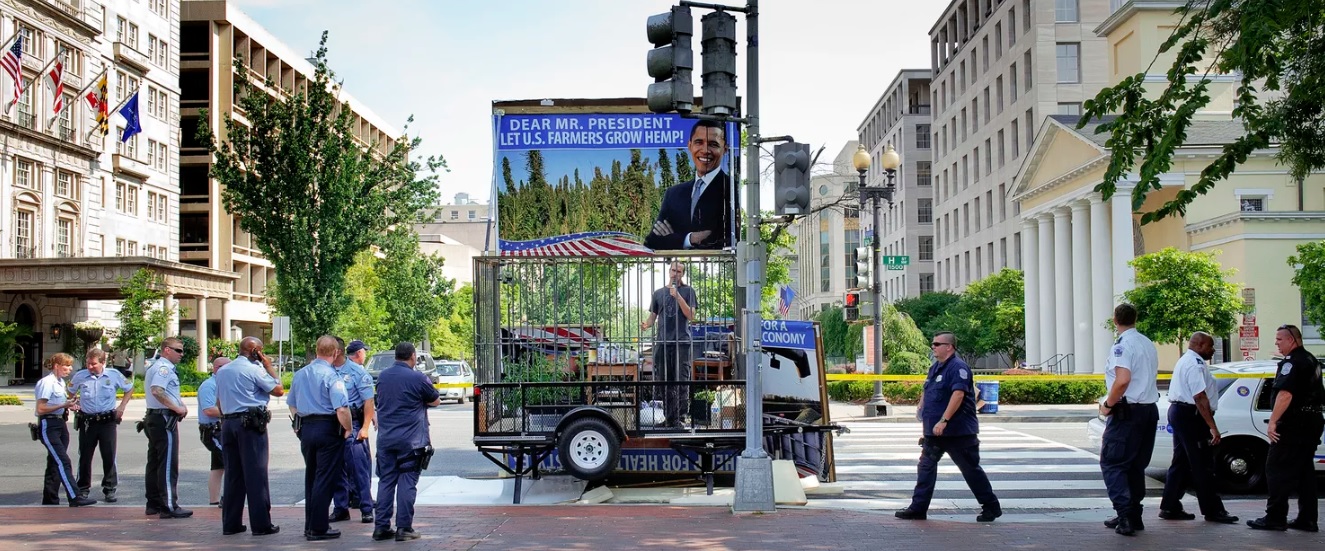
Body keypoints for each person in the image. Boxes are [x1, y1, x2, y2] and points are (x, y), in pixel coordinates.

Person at [894, 332, 1001, 522]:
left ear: (949, 347)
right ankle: (918, 508)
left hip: (958, 431)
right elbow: (927, 389)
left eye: (937, 344)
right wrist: (921, 406)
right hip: (934, 432)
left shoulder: (958, 368)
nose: (933, 347)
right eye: (933, 344)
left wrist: (944, 420)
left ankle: (991, 506)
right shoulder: (936, 367)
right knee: (926, 466)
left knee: (970, 469)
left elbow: (958, 395)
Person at [1248, 324, 1324, 532]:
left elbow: (1285, 394)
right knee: (1304, 472)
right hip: (1312, 422)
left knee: (1276, 469)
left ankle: (1275, 516)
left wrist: (1273, 421)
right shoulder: (1311, 360)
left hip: (1293, 424)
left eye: (1279, 340)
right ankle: (1307, 519)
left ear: (1291, 340)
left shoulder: (1291, 362)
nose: (1277, 344)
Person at [1158, 332, 1238, 524]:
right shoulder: (1195, 364)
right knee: (1203, 464)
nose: (1213, 350)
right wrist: (1213, 427)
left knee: (1181, 462)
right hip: (1191, 416)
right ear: (1200, 345)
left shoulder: (1186, 360)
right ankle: (1213, 510)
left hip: (1181, 413)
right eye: (1210, 346)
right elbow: (1200, 397)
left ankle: (1170, 506)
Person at [1098, 304, 1161, 536]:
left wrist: (1108, 404)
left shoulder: (1122, 345)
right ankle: (1134, 514)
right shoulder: (1146, 342)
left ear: (1115, 320)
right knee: (1135, 465)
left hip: (1128, 412)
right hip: (1148, 410)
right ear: (1136, 318)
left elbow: (1122, 380)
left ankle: (1125, 514)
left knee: (1113, 463)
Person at [215, 337, 284, 537]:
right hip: (250, 424)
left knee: (233, 475)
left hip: (228, 423)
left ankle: (231, 523)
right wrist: (269, 366)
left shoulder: (224, 370)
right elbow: (278, 390)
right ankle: (261, 524)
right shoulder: (254, 369)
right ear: (254, 351)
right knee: (256, 474)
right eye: (260, 350)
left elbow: (219, 401)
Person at [373, 342, 441, 542]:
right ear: (412, 356)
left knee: (386, 482)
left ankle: (381, 527)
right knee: (407, 481)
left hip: (385, 440)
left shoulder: (383, 376)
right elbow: (435, 400)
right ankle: (404, 528)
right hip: (411, 441)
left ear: (396, 356)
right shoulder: (418, 378)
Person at [288, 335, 352, 541]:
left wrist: (298, 426)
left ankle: (310, 524)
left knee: (312, 476)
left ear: (317, 350)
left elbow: (292, 404)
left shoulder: (300, 374)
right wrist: (348, 429)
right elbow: (341, 409)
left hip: (307, 428)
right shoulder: (332, 376)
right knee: (325, 478)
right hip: (327, 428)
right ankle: (319, 527)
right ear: (335, 353)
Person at [643, 119, 734, 250]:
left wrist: (672, 238)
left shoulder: (731, 189)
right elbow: (652, 242)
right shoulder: (673, 194)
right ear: (690, 146)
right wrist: (690, 239)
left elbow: (725, 241)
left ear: (725, 149)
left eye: (713, 144)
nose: (705, 150)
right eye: (699, 142)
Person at [69, 348, 132, 503]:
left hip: (107, 421)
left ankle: (110, 489)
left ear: (103, 362)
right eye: (88, 363)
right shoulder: (80, 376)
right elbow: (70, 391)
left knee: (109, 455)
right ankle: (83, 488)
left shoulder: (113, 375)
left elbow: (129, 389)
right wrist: (74, 402)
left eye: (94, 364)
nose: (90, 367)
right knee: (84, 456)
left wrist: (122, 407)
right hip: (87, 422)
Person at [35, 353, 96, 507]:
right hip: (49, 425)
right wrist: (63, 405)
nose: (69, 369)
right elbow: (41, 408)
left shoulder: (60, 382)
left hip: (60, 423)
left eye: (70, 366)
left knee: (54, 463)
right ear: (56, 365)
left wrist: (70, 405)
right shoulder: (47, 383)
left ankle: (50, 499)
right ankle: (74, 496)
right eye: (66, 366)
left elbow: (60, 404)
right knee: (63, 461)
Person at [641, 261, 697, 428]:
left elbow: (691, 315)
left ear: (683, 274)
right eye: (673, 270)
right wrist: (646, 324)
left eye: (679, 271)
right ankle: (669, 418)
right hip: (663, 342)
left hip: (682, 342)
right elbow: (653, 317)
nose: (675, 274)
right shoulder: (658, 293)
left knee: (681, 380)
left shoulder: (688, 291)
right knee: (664, 380)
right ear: (668, 271)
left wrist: (677, 296)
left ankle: (680, 417)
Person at [143, 337, 192, 519]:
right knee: (167, 463)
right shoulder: (164, 368)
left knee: (155, 461)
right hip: (163, 418)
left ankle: (153, 503)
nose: (181, 354)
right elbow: (157, 390)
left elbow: (164, 391)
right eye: (178, 350)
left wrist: (179, 403)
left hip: (155, 417)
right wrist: (176, 407)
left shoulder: (157, 367)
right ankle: (168, 505)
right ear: (166, 350)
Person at [331, 339, 377, 524]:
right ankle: (341, 508)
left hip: (354, 423)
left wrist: (365, 427)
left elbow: (368, 401)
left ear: (338, 351)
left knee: (359, 469)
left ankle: (366, 508)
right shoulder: (325, 371)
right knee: (336, 469)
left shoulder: (357, 372)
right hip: (332, 424)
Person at [197, 356, 231, 507]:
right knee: (230, 463)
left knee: (218, 467)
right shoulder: (209, 386)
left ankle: (214, 500)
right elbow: (209, 410)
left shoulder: (222, 383)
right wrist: (231, 411)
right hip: (213, 431)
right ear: (218, 369)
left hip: (219, 429)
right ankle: (227, 498)